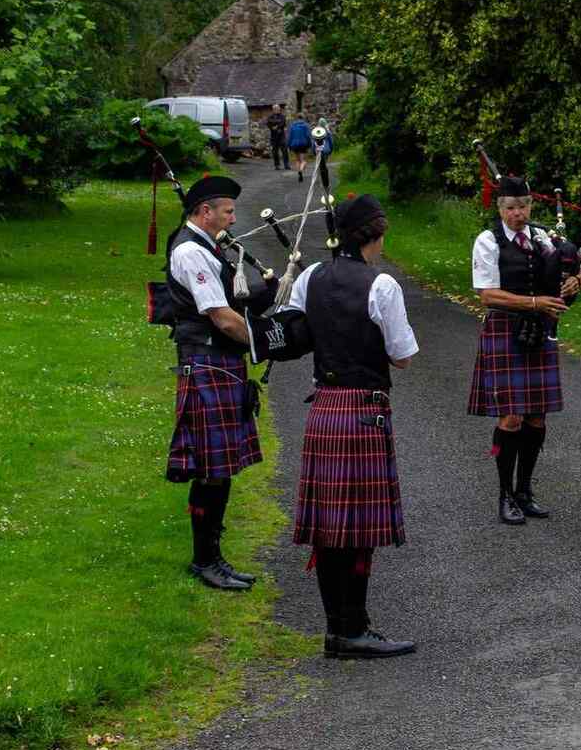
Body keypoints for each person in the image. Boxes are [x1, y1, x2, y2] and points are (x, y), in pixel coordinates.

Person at [280, 194, 420, 657]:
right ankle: (353, 630)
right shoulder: (382, 285)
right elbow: (402, 356)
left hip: (324, 408)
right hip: (363, 410)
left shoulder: (310, 277)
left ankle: (336, 630)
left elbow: (293, 331)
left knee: (329, 528)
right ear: (374, 235)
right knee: (359, 531)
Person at [468, 175, 581, 524]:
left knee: (537, 416)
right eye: (511, 208)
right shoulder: (488, 241)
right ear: (500, 208)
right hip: (505, 329)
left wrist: (577, 279)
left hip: (539, 330)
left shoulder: (544, 237)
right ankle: (505, 495)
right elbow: (487, 295)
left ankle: (524, 491)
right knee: (511, 417)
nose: (518, 214)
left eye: (523, 207)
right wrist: (536, 302)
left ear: (530, 205)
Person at [163, 176, 262, 591]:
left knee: (220, 470)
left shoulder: (207, 246)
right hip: (207, 363)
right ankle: (204, 561)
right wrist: (264, 342)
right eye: (228, 211)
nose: (232, 218)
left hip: (218, 364)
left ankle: (213, 557)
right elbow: (220, 317)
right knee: (210, 469)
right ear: (205, 212)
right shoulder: (190, 251)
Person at [286, 112, 312, 182]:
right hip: (303, 144)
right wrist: (310, 144)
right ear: (303, 118)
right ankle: (301, 170)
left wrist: (288, 145)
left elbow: (290, 136)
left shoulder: (292, 126)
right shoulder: (306, 125)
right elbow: (308, 136)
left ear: (297, 118)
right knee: (303, 160)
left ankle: (299, 172)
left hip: (294, 144)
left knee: (297, 160)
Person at [266, 104, 289, 171]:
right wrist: (275, 125)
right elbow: (268, 123)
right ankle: (277, 165)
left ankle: (286, 165)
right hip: (274, 136)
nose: (277, 110)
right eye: (276, 109)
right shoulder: (270, 116)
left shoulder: (282, 116)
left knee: (284, 151)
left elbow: (283, 123)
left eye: (278, 109)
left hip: (281, 136)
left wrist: (276, 126)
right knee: (275, 151)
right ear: (273, 110)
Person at [315, 116, 334, 191]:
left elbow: (314, 142)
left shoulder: (316, 131)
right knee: (324, 165)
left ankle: (322, 181)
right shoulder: (327, 131)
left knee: (321, 166)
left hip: (319, 150)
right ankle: (325, 181)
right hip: (326, 150)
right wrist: (331, 150)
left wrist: (314, 151)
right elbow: (331, 142)